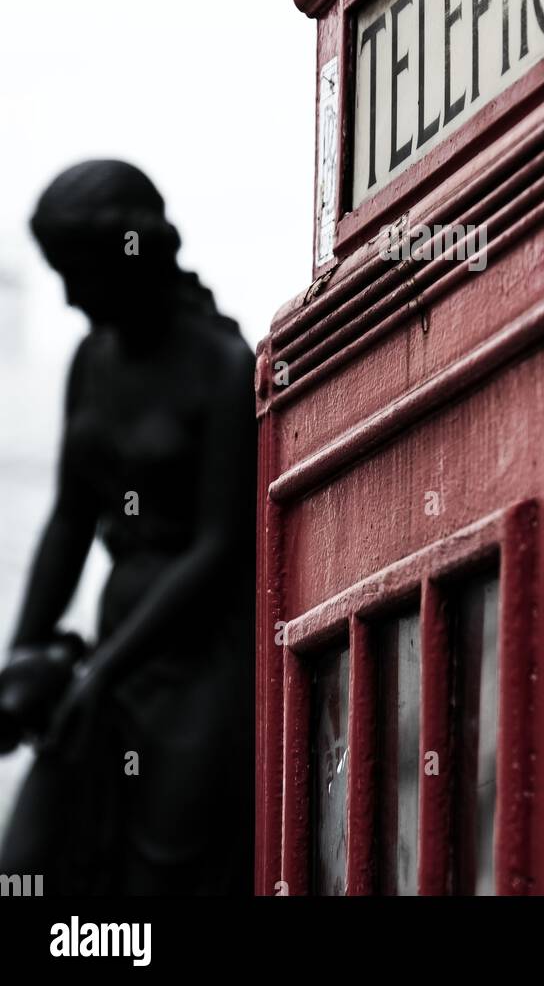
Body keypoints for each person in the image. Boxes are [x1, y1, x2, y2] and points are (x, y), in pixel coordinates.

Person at [0, 160, 255, 895]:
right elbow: (70, 519)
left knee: (165, 872)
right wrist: (24, 654)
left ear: (133, 253)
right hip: (111, 652)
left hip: (198, 660)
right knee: (28, 869)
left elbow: (221, 546)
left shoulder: (224, 366)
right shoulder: (92, 361)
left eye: (80, 273)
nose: (71, 296)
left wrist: (106, 668)